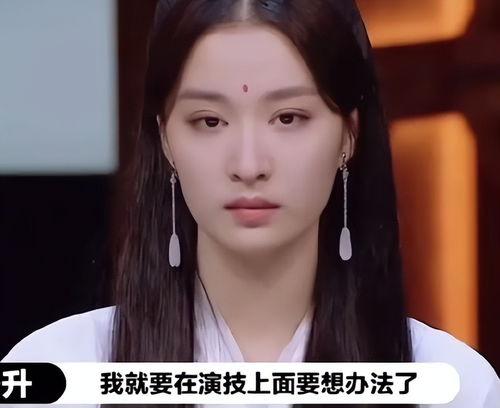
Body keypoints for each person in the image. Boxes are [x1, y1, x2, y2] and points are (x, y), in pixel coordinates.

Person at [3, 0, 499, 407]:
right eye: (209, 121)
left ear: (349, 136)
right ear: (166, 140)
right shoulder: (59, 372)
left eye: (288, 118)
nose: (248, 164)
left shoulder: (452, 386)